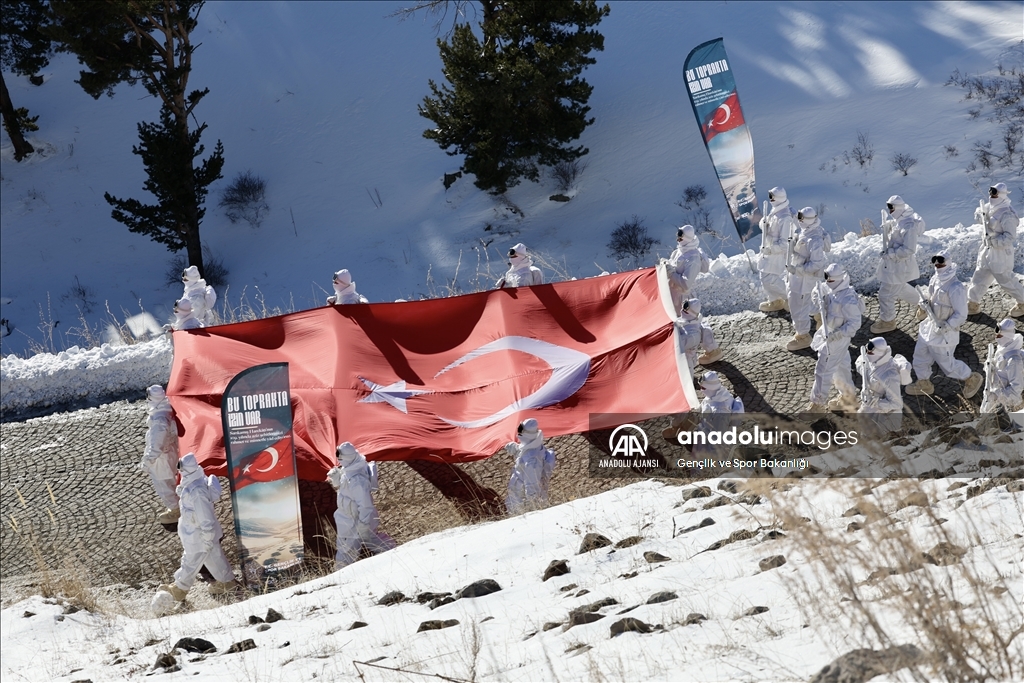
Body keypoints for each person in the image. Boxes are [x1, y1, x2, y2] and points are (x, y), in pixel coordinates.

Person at [157, 454, 237, 603]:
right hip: (199, 534)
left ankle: (180, 589)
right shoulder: (194, 483)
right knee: (215, 559)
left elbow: (204, 515)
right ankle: (227, 583)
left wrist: (207, 536)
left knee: (191, 561)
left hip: (199, 535)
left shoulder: (196, 490)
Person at [907, 252, 983, 397]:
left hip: (945, 333)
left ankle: (970, 378)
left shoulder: (956, 287)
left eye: (941, 262)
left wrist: (947, 325)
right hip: (929, 327)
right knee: (920, 355)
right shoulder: (934, 280)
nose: (937, 265)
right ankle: (924, 382)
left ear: (948, 262)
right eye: (935, 262)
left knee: (947, 364)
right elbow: (930, 299)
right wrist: (923, 305)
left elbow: (961, 314)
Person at [327, 442, 395, 569]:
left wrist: (363, 524)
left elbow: (365, 504)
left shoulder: (356, 479)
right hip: (349, 518)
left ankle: (340, 576)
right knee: (371, 540)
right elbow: (347, 493)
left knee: (346, 550)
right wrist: (337, 482)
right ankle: (394, 552)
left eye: (340, 456)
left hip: (354, 521)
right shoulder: (350, 469)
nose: (338, 459)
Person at [807, 263, 862, 412]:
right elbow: (817, 291)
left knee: (823, 369)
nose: (828, 283)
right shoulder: (832, 287)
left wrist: (839, 333)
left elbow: (855, 322)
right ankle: (848, 397)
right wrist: (818, 297)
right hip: (830, 333)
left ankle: (817, 404)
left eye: (830, 281)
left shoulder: (847, 298)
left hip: (838, 338)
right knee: (841, 366)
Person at [968, 183, 1024, 318]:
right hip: (987, 250)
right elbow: (980, 219)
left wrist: (994, 241)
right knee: (980, 276)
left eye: (995, 193)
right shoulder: (989, 207)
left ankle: (1023, 302)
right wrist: (980, 214)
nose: (992, 196)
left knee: (1006, 280)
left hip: (1000, 253)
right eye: (991, 192)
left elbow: (1010, 237)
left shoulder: (1007, 214)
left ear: (1002, 195)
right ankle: (972, 303)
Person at [871, 195, 922, 333]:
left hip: (899, 266)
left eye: (891, 207)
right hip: (894, 266)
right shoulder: (900, 220)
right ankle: (924, 304)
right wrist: (889, 227)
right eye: (888, 207)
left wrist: (891, 253)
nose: (889, 210)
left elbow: (909, 249)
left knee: (885, 294)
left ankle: (888, 321)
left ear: (898, 208)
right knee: (900, 289)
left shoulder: (909, 225)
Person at [785, 207, 828, 351]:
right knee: (806, 302)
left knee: (798, 306)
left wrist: (798, 270)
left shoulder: (814, 238)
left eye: (801, 218)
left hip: (803, 279)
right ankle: (821, 317)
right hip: (797, 277)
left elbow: (817, 263)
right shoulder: (807, 231)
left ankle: (803, 336)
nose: (799, 220)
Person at [140, 385, 180, 524]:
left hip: (162, 459)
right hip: (170, 453)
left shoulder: (159, 419)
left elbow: (157, 444)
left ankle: (175, 510)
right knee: (172, 481)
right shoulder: (167, 410)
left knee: (164, 485)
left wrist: (148, 462)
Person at [757, 187, 798, 313]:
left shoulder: (785, 217)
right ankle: (775, 300)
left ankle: (792, 299)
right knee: (763, 276)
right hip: (768, 250)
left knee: (770, 279)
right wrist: (763, 223)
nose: (770, 200)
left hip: (776, 253)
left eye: (772, 198)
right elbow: (768, 227)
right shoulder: (776, 211)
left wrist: (770, 250)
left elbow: (784, 243)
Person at [855, 337, 905, 436]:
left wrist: (877, 403)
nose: (867, 354)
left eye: (870, 352)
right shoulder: (868, 360)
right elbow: (859, 363)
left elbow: (897, 404)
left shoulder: (889, 375)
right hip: (869, 405)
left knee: (881, 441)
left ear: (878, 353)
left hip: (887, 415)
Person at [505, 418, 556, 514]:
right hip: (519, 498)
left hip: (521, 504)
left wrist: (531, 511)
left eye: (521, 431)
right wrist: (516, 448)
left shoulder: (532, 461)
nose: (519, 433)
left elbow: (532, 488)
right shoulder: (534, 447)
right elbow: (525, 452)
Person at [980, 318, 1024, 413]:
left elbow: (1016, 391)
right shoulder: (1004, 348)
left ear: (1007, 336)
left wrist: (996, 395)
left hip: (1004, 406)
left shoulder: (1014, 360)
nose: (996, 338)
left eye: (999, 336)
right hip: (993, 396)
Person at [666, 225, 709, 316]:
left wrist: (671, 273)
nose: (678, 239)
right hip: (672, 297)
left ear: (687, 238)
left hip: (682, 301)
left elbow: (686, 284)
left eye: (680, 236)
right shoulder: (679, 251)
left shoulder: (693, 258)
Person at [676, 298, 724, 377]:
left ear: (690, 312)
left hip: (685, 365)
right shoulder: (688, 322)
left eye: (685, 309)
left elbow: (675, 344)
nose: (681, 310)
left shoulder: (692, 335)